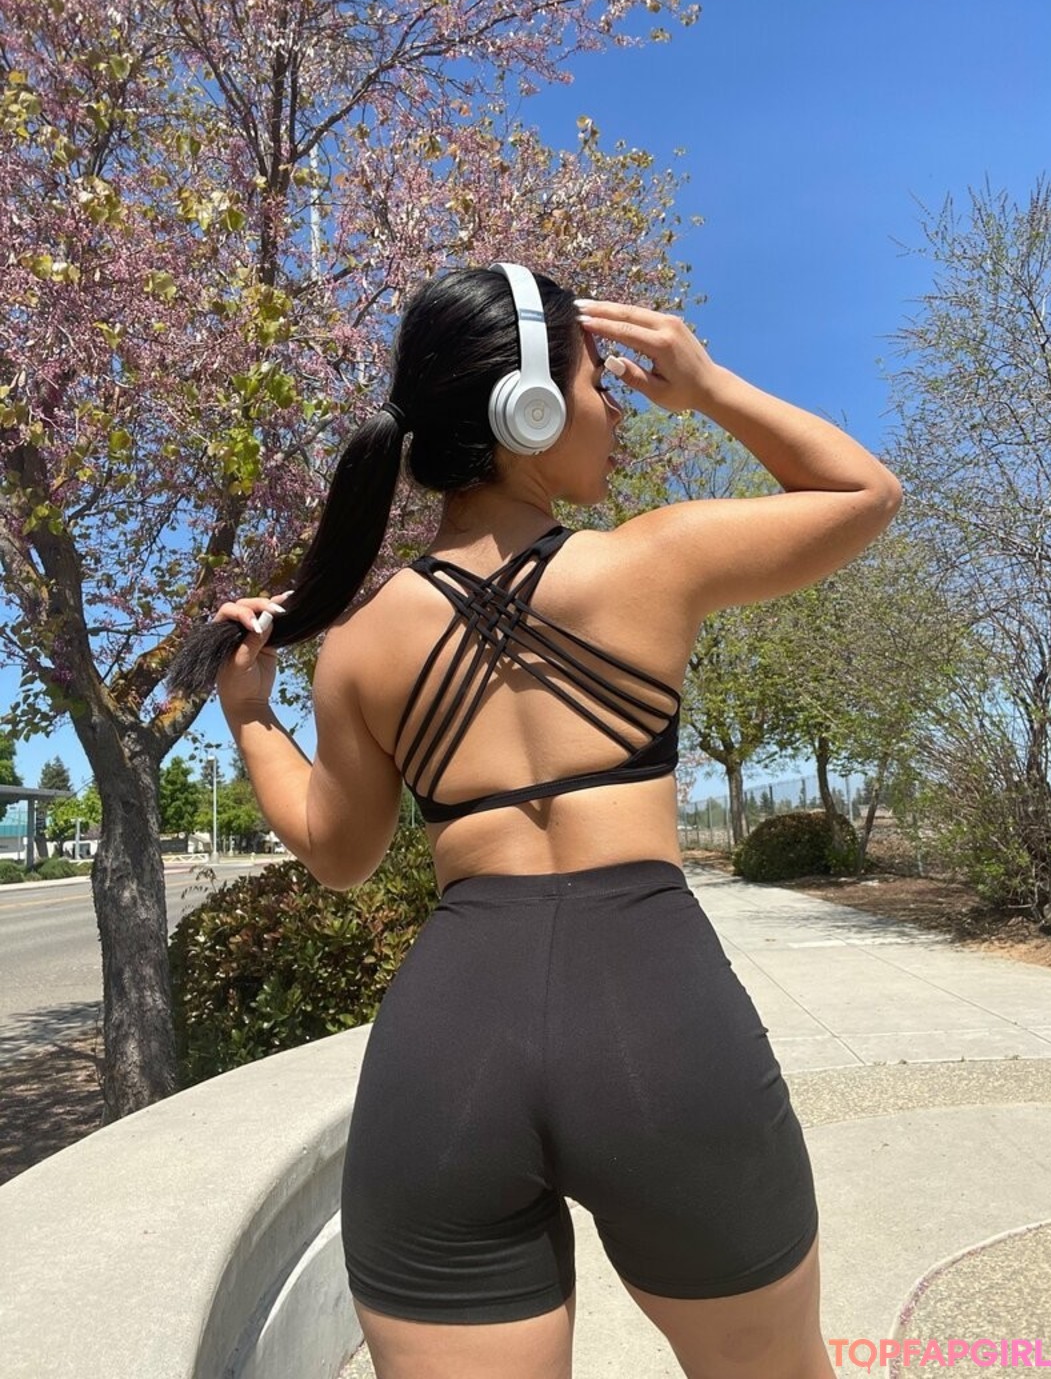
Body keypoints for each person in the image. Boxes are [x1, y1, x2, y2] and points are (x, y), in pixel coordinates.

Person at [175, 263, 902, 1379]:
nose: (618, 408)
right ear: (528, 408)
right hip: (660, 1024)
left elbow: (339, 854)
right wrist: (707, 384)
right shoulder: (652, 562)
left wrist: (252, 718)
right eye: (599, 383)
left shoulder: (358, 646)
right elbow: (865, 493)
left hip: (449, 1050)